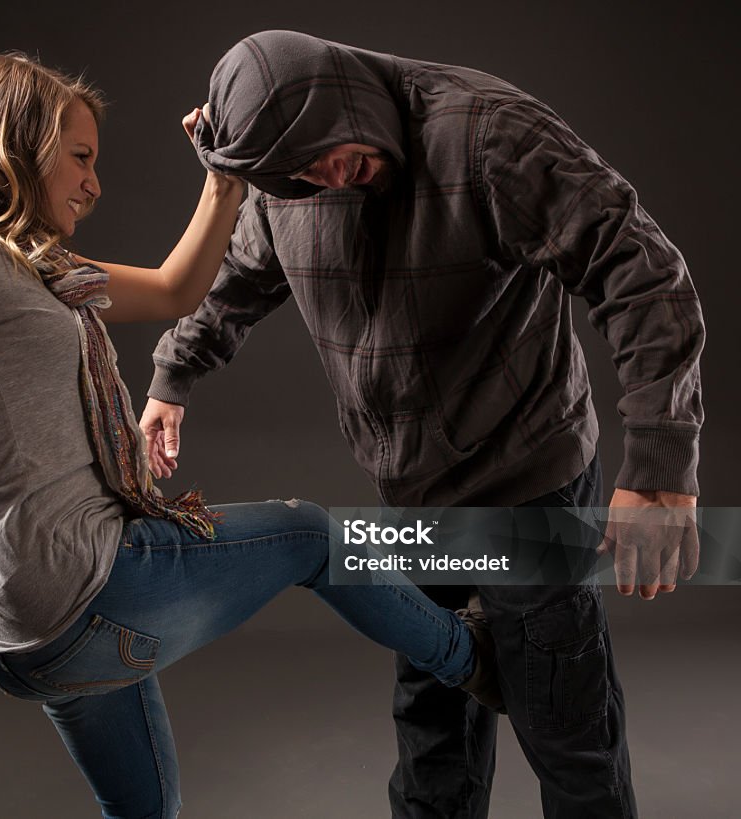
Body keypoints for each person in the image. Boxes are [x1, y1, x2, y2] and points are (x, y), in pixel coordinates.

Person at [0, 52, 505, 819]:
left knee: (145, 811)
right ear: (17, 142)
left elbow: (179, 287)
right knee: (311, 533)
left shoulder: (39, 269)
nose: (94, 182)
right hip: (91, 590)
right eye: (79, 157)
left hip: (34, 631)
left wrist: (222, 178)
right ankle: (477, 661)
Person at [139, 30, 705, 819]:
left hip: (527, 481)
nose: (325, 177)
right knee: (431, 726)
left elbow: (644, 272)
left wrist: (658, 464)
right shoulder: (284, 176)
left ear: (342, 97)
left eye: (325, 153)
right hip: (413, 495)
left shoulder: (486, 136)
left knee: (565, 724)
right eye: (297, 175)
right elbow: (240, 275)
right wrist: (176, 373)